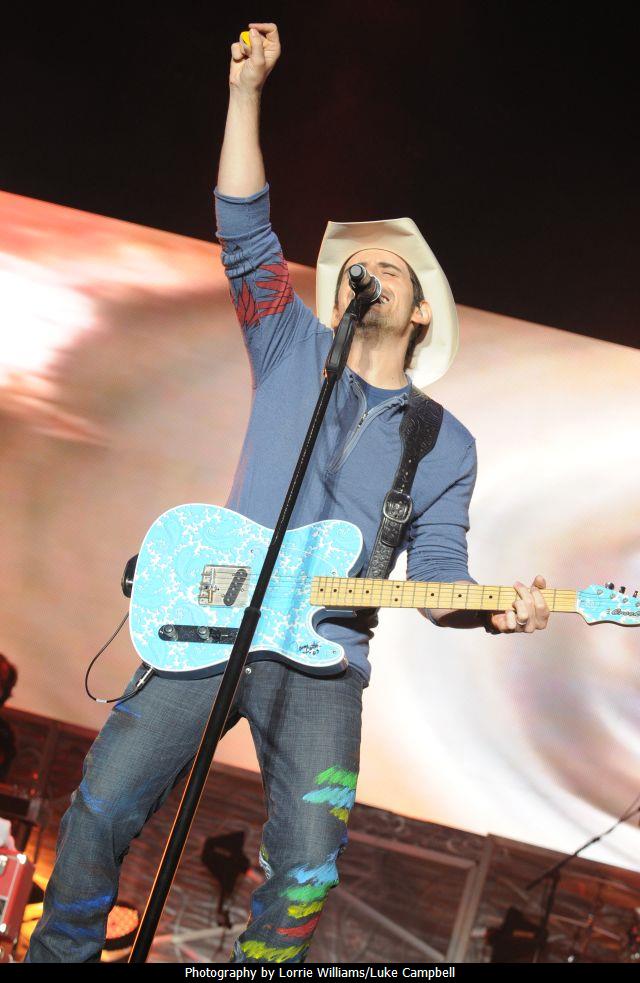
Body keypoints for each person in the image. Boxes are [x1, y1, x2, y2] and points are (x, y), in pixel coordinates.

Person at [26, 23, 550, 964]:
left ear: (418, 311)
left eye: (389, 269)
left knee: (305, 871)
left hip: (324, 661)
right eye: (355, 267)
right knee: (100, 805)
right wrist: (246, 93)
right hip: (215, 622)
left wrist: (492, 610)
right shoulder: (292, 347)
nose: (364, 272)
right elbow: (243, 232)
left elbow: (439, 577)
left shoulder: (446, 442)